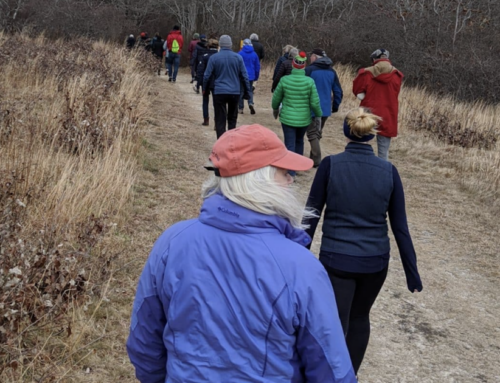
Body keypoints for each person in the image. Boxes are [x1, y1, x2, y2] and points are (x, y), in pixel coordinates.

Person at [127, 123, 357, 383]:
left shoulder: (172, 242)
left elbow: (144, 341)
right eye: (284, 172)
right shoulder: (300, 267)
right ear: (260, 181)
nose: (291, 179)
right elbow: (331, 369)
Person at [303, 108, 423, 376]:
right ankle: (350, 375)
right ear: (372, 135)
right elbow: (400, 227)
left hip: (336, 260)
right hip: (374, 262)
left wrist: (297, 256)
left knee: (335, 322)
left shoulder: (330, 166)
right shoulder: (389, 171)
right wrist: (411, 273)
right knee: (359, 318)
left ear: (346, 133)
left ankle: (328, 375)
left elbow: (311, 215)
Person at [271, 51, 322, 177]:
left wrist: (275, 109)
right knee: (300, 141)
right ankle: (298, 167)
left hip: (287, 117)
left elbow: (276, 98)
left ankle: (290, 171)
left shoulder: (284, 80)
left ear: (293, 65)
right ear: (304, 66)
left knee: (289, 143)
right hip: (304, 118)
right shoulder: (309, 82)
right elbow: (315, 102)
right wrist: (318, 115)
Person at [352, 49, 403, 161]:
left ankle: (359, 169)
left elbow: (357, 90)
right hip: (388, 115)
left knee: (361, 146)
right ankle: (381, 174)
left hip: (368, 114)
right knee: (383, 153)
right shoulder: (397, 76)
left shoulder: (365, 73)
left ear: (374, 59)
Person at [202, 35, 251, 139]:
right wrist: (247, 92)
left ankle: (221, 144)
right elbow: (245, 76)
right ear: (230, 45)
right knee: (232, 119)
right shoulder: (238, 57)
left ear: (220, 44)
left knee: (220, 119)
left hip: (219, 91)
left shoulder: (214, 58)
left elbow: (206, 75)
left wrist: (204, 89)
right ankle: (231, 143)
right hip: (234, 92)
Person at [305, 48, 343, 167]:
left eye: (311, 56)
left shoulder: (309, 70)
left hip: (310, 107)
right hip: (325, 108)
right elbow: (338, 91)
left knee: (312, 134)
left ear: (315, 57)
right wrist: (335, 106)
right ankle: (313, 157)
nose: (309, 58)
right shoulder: (332, 71)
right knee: (317, 133)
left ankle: (316, 160)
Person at [198, 38, 219, 126]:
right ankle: (216, 122)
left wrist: (199, 83)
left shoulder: (204, 56)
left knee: (205, 101)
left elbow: (200, 70)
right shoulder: (219, 56)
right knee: (216, 103)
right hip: (216, 82)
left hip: (206, 82)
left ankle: (206, 119)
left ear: (208, 46)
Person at [238, 39, 260, 115]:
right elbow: (257, 67)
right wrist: (256, 77)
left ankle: (240, 108)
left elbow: (237, 66)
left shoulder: (240, 54)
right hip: (251, 76)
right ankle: (250, 103)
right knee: (249, 90)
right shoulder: (254, 54)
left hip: (241, 75)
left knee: (241, 91)